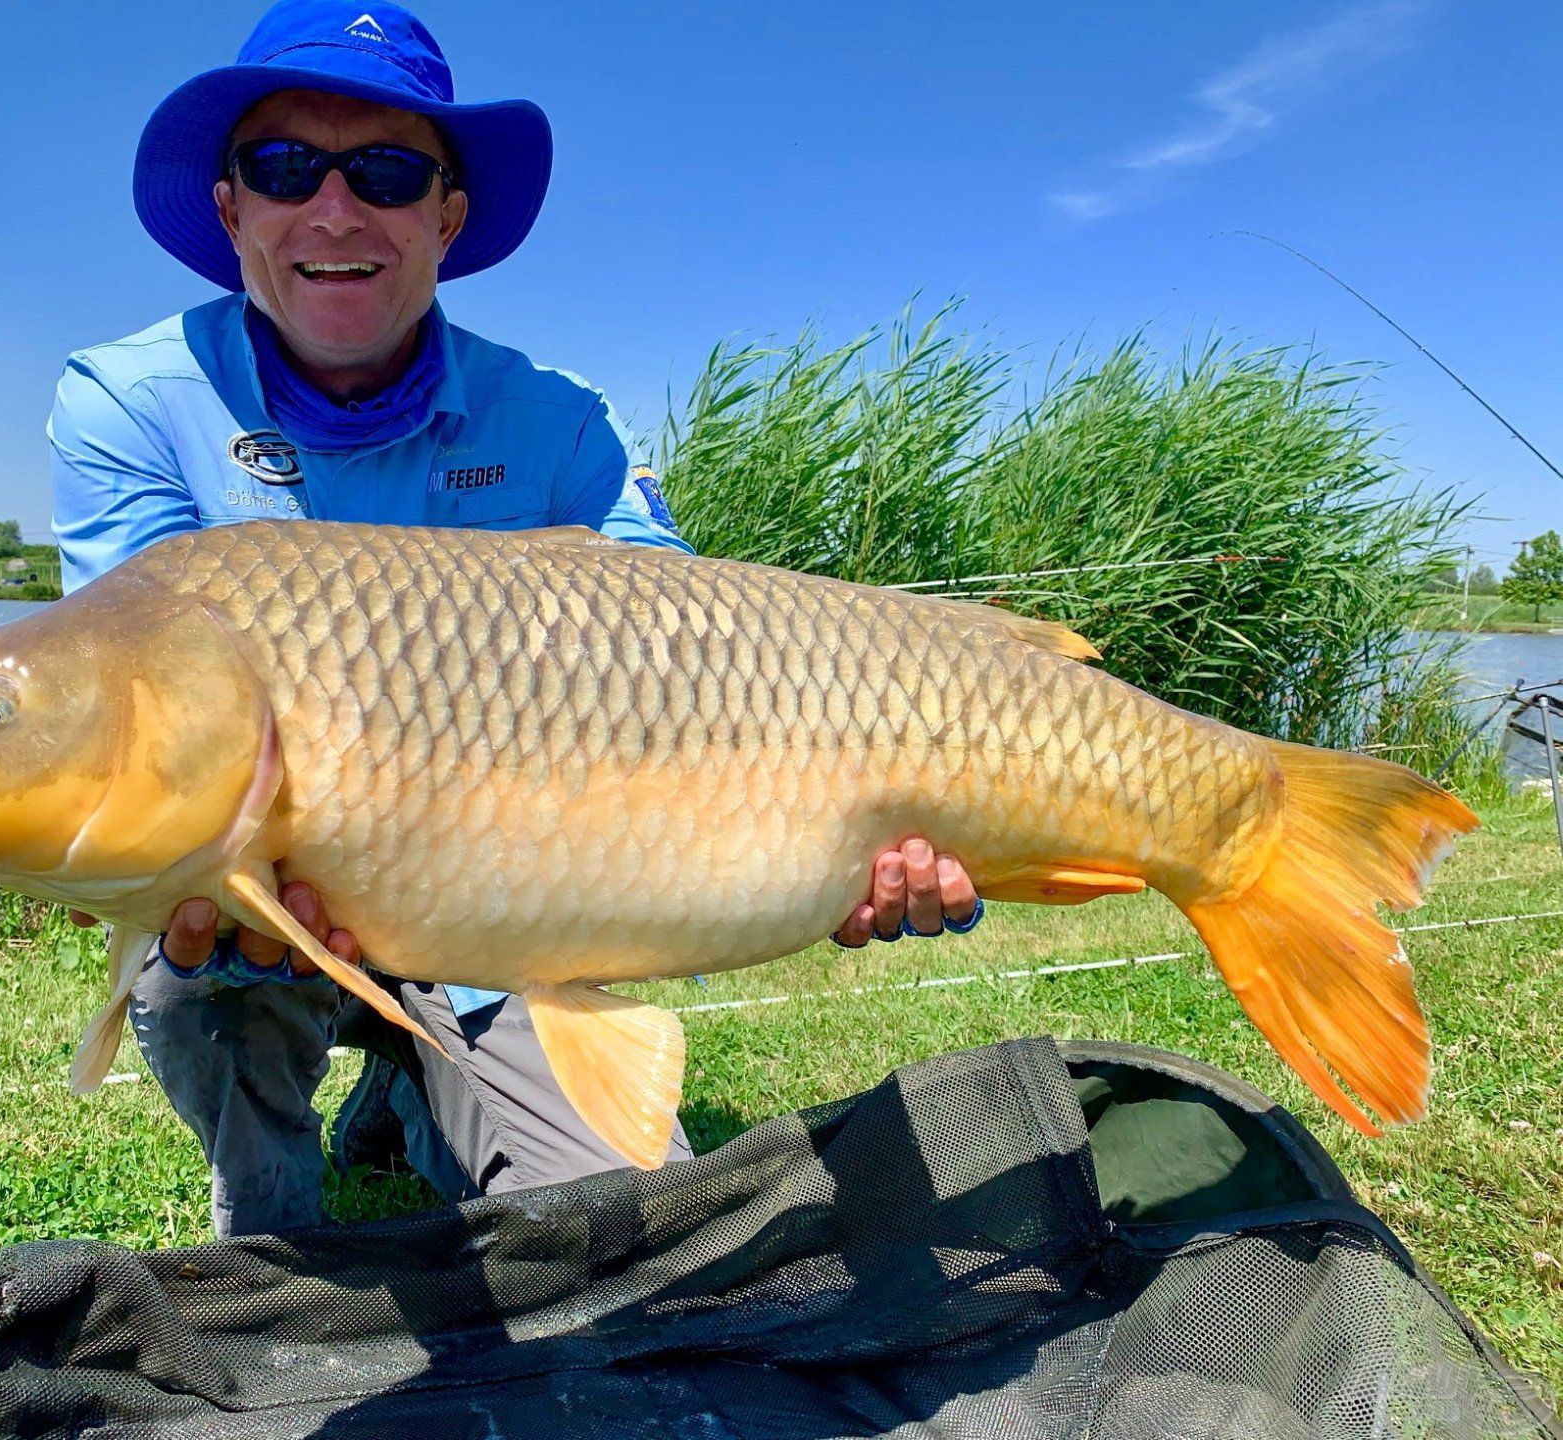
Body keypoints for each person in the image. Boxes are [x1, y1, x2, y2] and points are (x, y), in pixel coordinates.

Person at [50, 0, 983, 1239]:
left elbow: (705, 672)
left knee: (609, 1224)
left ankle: (417, 1084)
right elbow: (131, 709)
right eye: (285, 168)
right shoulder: (128, 402)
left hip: (510, 911)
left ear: (447, 214)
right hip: (261, 898)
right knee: (201, 957)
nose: (335, 210)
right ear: (231, 209)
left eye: (386, 172)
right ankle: (271, 1247)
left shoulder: (557, 422)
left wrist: (872, 828)